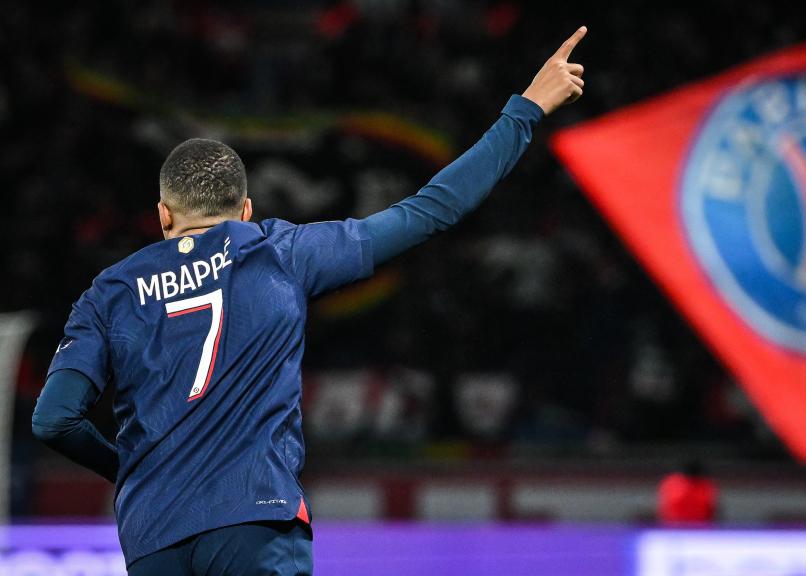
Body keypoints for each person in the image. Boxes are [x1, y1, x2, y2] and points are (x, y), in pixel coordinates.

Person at [31, 26, 588, 575]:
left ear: (163, 216)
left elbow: (54, 421)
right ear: (245, 209)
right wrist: (526, 109)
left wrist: (132, 471)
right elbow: (430, 210)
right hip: (255, 518)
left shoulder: (110, 292)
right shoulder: (279, 251)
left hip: (153, 538)